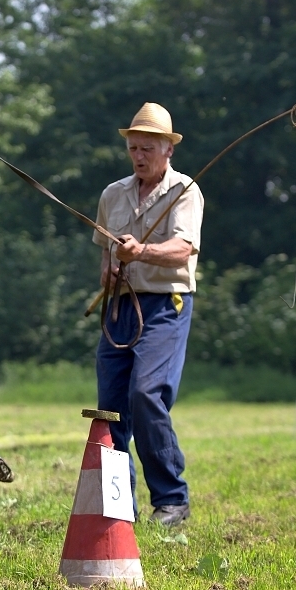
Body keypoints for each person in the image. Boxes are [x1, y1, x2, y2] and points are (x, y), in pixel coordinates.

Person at [94, 103, 202, 527]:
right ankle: (121, 508)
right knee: (111, 408)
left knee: (146, 394)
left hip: (166, 305)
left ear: (168, 150)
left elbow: (183, 249)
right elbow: (105, 262)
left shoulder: (185, 191)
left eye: (148, 149)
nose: (139, 156)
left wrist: (141, 252)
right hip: (121, 305)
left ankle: (172, 500)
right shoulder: (111, 195)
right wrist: (112, 269)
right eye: (133, 148)